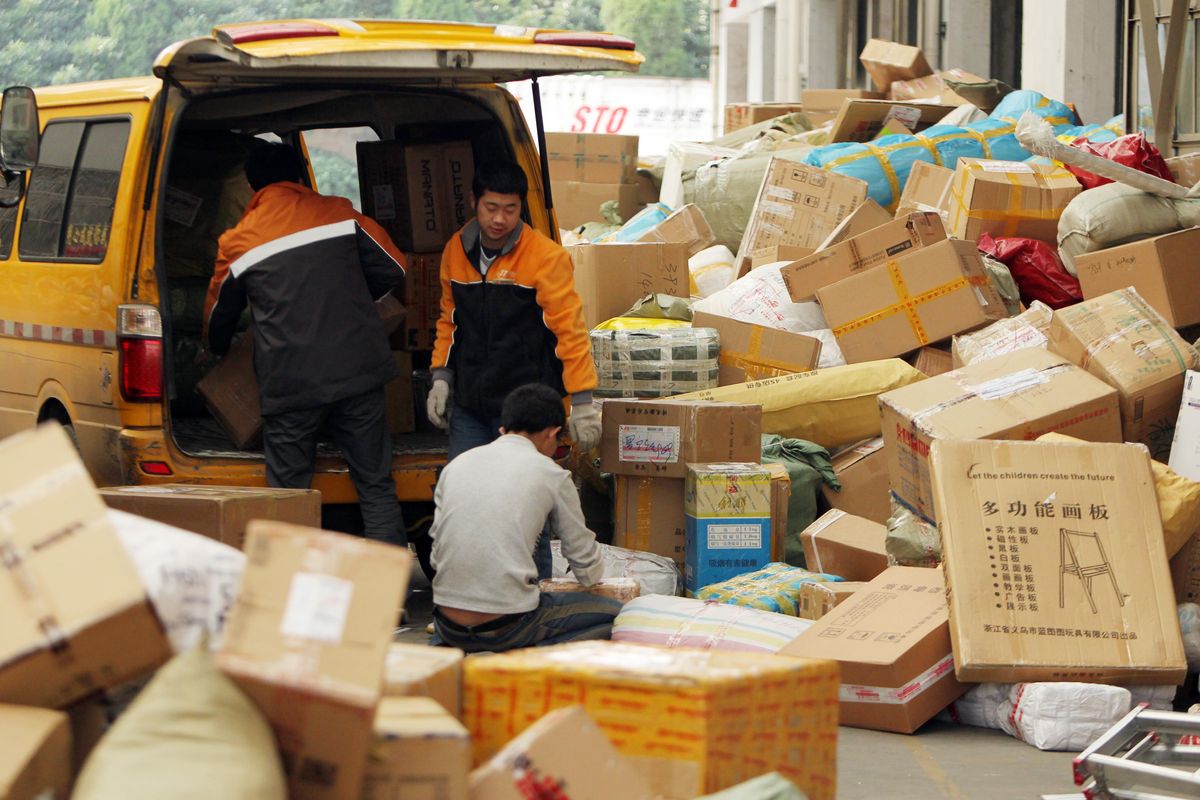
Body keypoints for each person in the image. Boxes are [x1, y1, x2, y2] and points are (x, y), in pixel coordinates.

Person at [204, 140, 408, 546]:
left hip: (291, 384)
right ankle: (392, 602)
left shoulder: (238, 242)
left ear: (252, 185)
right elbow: (396, 266)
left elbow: (217, 318)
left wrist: (217, 350)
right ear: (300, 176)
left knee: (289, 500)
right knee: (376, 487)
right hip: (358, 372)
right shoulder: (339, 213)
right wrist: (353, 298)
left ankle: (287, 599)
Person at [424, 160, 600, 577]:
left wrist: (584, 400)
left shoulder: (545, 258)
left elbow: (570, 332)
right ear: (473, 202)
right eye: (490, 207)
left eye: (510, 209)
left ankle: (534, 595)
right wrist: (440, 379)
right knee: (462, 499)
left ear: (522, 207)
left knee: (528, 509)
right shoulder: (456, 250)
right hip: (470, 403)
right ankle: (459, 594)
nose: (499, 218)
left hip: (526, 411)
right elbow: (449, 320)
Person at [428, 383, 621, 652]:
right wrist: (600, 583)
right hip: (507, 625)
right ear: (552, 433)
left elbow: (437, 552)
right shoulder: (551, 473)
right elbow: (585, 564)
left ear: (503, 430)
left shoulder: (456, 465)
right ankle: (523, 655)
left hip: (446, 624)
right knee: (618, 616)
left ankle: (453, 648)